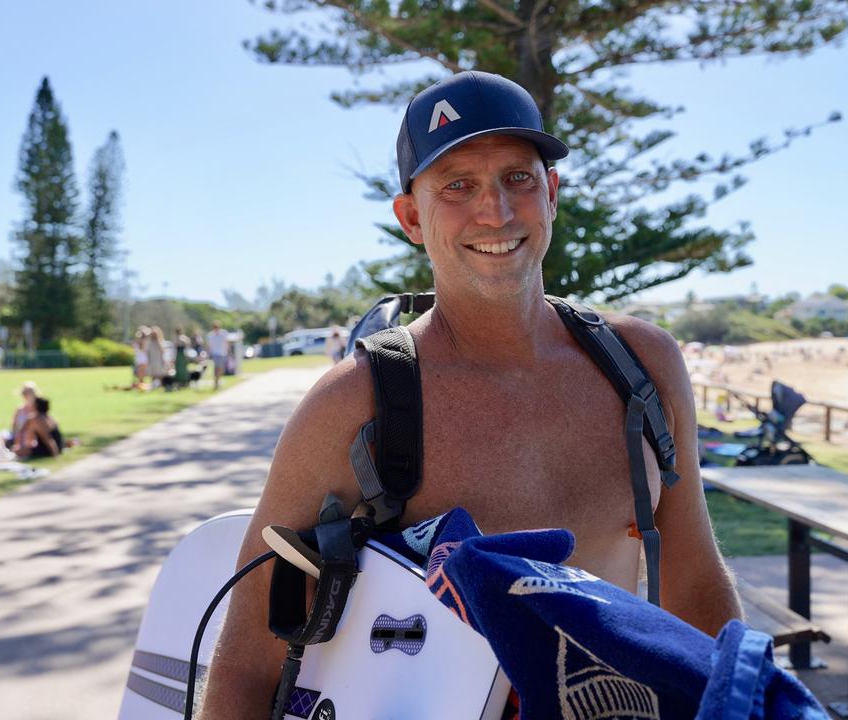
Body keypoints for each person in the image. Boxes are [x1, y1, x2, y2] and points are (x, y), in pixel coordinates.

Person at [200, 71, 741, 718]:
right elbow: (244, 667)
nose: (496, 211)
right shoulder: (353, 406)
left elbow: (696, 582)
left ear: (551, 193)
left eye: (518, 178)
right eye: (457, 186)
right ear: (410, 218)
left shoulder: (640, 366)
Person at [8, 381, 39, 450]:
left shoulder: (39, 410)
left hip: (33, 438)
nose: (25, 395)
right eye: (24, 393)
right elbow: (14, 427)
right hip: (19, 437)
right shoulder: (19, 409)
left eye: (27, 393)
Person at [207, 321, 230, 390]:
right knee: (217, 368)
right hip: (216, 354)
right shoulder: (210, 335)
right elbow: (209, 346)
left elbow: (226, 343)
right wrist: (209, 353)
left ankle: (217, 382)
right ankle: (216, 383)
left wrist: (228, 351)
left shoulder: (223, 333)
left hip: (223, 353)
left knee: (221, 369)